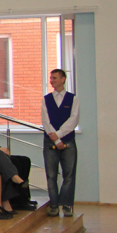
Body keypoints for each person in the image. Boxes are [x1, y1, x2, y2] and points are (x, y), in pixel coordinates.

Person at [42, 68, 79, 217]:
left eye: (55, 78)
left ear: (63, 79)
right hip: (50, 142)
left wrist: (58, 135)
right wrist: (55, 139)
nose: (52, 81)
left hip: (68, 141)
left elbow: (73, 120)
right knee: (51, 175)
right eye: (51, 78)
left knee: (69, 174)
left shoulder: (73, 99)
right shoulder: (46, 99)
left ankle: (66, 204)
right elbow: (46, 121)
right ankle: (54, 205)